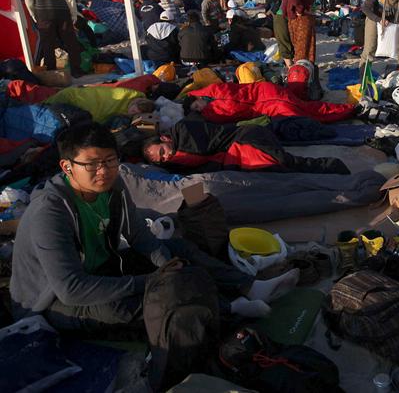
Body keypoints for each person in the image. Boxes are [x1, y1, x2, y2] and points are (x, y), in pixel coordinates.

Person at [10, 124, 297, 333]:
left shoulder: (113, 186)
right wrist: (151, 281)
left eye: (110, 161)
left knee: (176, 248)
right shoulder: (49, 213)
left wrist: (163, 263)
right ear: (67, 166)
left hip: (102, 268)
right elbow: (72, 288)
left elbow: (138, 235)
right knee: (125, 306)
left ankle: (249, 286)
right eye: (92, 164)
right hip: (51, 301)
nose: (104, 171)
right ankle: (228, 309)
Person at [142, 120, 349, 174]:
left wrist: (174, 163)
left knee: (283, 163)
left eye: (162, 152)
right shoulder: (177, 157)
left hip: (246, 137)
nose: (165, 158)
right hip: (235, 151)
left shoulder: (183, 130)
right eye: (161, 160)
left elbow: (198, 154)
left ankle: (334, 166)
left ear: (164, 138)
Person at [184, 81, 355, 124]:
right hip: (269, 104)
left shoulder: (213, 91)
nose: (201, 108)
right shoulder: (213, 111)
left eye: (198, 105)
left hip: (268, 96)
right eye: (197, 110)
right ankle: (347, 110)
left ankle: (348, 110)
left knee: (306, 110)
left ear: (199, 98)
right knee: (306, 113)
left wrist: (190, 94)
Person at [360, 0, 399, 68]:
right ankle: (364, 74)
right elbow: (365, 8)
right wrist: (379, 20)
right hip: (374, 17)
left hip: (393, 18)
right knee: (370, 47)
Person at [45, 85, 154, 124]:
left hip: (77, 106)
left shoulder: (130, 110)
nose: (131, 113)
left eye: (135, 114)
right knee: (45, 108)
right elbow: (103, 96)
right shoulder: (127, 95)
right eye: (134, 110)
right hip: (75, 97)